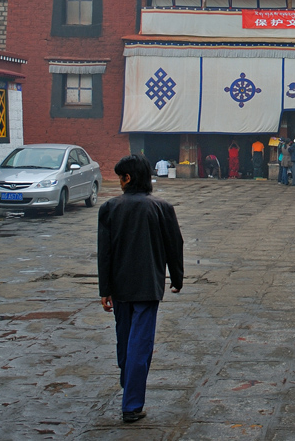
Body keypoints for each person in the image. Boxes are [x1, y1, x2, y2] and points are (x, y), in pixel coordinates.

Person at [98, 154, 184, 423]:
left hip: (120, 287)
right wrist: (176, 278)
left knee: (125, 341)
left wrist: (105, 289)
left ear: (128, 178)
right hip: (148, 286)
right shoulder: (161, 208)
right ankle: (132, 402)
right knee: (139, 344)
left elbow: (105, 253)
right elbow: (175, 246)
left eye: (121, 177)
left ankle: (129, 389)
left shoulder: (110, 208)